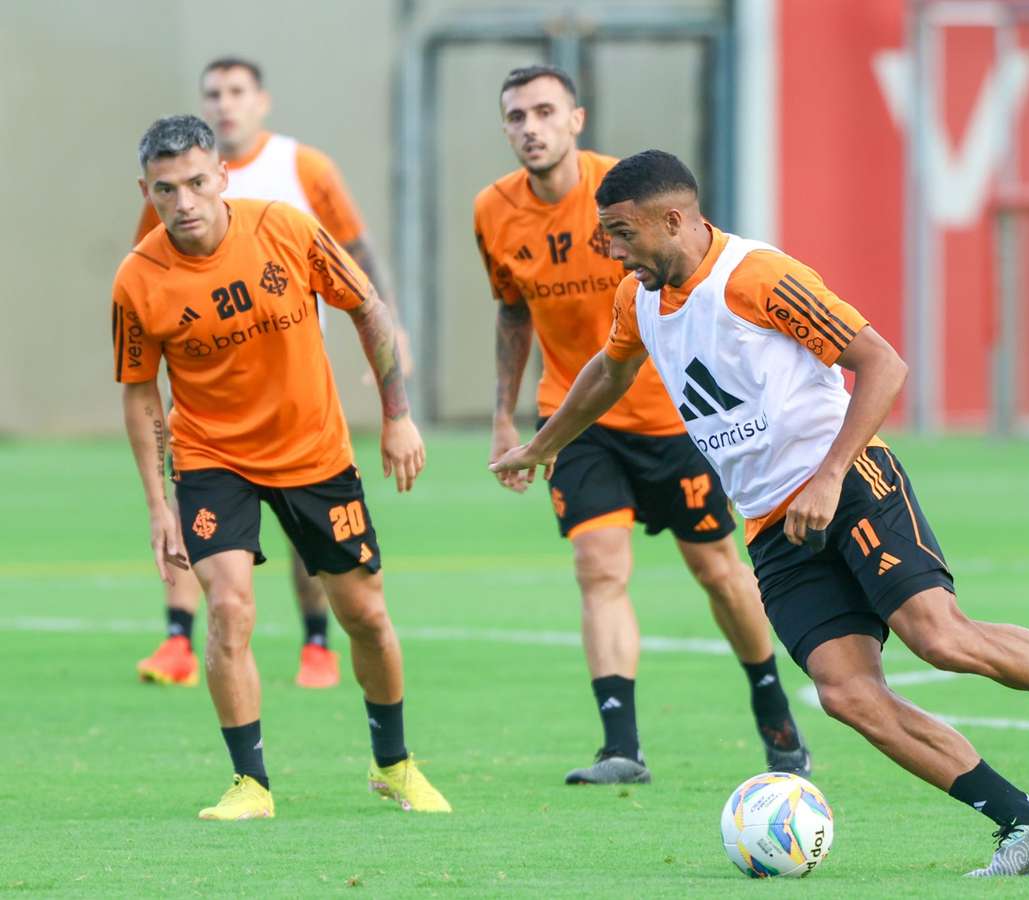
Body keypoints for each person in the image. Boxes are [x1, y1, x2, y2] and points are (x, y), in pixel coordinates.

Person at [491, 149, 1029, 874]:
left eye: (622, 233)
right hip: (772, 523)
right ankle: (1028, 824)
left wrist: (829, 477)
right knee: (847, 693)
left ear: (673, 220)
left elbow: (883, 363)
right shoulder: (636, 299)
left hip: (850, 479)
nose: (612, 251)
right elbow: (610, 371)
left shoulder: (757, 277)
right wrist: (542, 446)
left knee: (939, 636)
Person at [476, 66, 810, 785]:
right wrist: (505, 415)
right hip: (576, 416)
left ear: (576, 120)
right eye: (516, 116)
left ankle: (773, 707)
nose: (530, 127)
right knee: (599, 568)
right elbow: (511, 311)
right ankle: (620, 747)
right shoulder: (493, 211)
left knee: (717, 570)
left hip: (673, 417)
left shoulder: (623, 200)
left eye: (545, 111)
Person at [114, 114, 449, 819]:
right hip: (212, 458)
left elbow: (368, 308)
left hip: (313, 451)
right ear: (146, 191)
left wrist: (396, 415)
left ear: (222, 176)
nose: (184, 202)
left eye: (196, 183)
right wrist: (156, 504)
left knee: (366, 616)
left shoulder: (285, 229)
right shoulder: (137, 280)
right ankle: (251, 784)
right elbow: (140, 392)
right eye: (166, 189)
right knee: (229, 607)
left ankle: (393, 764)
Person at [133, 57, 410, 690]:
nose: (224, 103)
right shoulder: (169, 189)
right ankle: (178, 635)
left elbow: (357, 253)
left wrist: (396, 334)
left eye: (236, 91)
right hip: (207, 384)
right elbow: (148, 273)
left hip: (292, 373)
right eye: (213, 93)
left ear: (261, 101)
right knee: (198, 517)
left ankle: (317, 642)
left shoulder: (302, 169)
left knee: (302, 528)